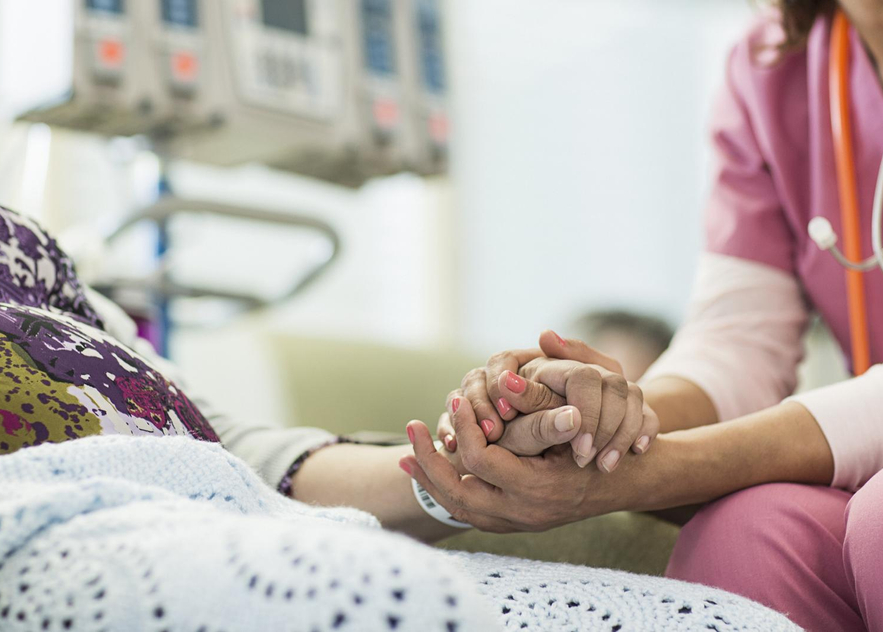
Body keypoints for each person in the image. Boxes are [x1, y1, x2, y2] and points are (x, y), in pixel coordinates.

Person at [397, 2, 883, 631]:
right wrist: (594, 423)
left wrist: (651, 474)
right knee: (746, 537)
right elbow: (737, 348)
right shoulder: (774, 66)